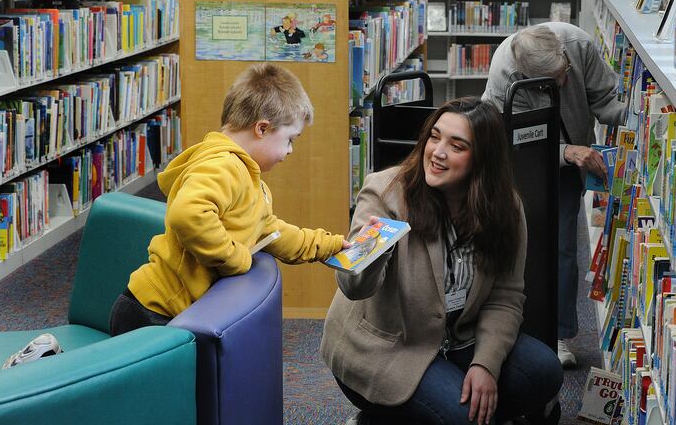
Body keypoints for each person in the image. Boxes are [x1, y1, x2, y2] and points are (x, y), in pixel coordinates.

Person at [320, 97, 563, 425]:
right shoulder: (385, 194)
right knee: (463, 417)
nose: (437, 152)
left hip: (458, 338)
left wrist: (485, 365)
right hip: (389, 348)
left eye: (457, 145)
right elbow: (353, 287)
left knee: (545, 372)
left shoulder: (504, 208)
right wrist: (375, 249)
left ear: (482, 159)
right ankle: (379, 417)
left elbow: (505, 298)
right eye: (434, 137)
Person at [109, 63, 348, 335]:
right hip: (153, 311)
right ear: (262, 128)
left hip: (169, 311)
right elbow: (188, 214)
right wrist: (235, 258)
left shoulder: (246, 176)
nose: (290, 150)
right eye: (290, 139)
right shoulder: (225, 166)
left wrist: (328, 245)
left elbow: (272, 232)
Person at [481, 22, 626, 368]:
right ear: (528, 74)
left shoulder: (578, 44)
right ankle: (515, 327)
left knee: (562, 246)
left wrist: (643, 119)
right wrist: (566, 152)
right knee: (521, 244)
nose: (564, 81)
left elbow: (605, 99)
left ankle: (557, 334)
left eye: (565, 73)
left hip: (571, 162)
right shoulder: (503, 73)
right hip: (522, 163)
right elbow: (501, 135)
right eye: (556, 79)